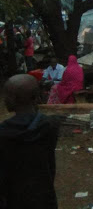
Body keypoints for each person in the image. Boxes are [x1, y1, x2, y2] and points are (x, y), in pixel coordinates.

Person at [0, 74, 59, 208]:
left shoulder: (4, 133)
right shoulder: (50, 126)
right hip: (45, 198)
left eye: (6, 95)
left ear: (14, 99)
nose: (4, 100)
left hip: (14, 201)